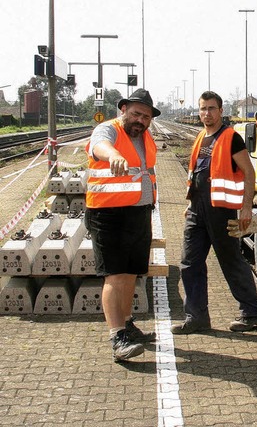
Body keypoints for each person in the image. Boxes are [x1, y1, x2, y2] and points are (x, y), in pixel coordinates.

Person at [171, 91, 257, 334]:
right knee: (189, 263)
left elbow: (249, 172)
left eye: (211, 108)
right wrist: (190, 204)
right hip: (197, 210)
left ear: (221, 111)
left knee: (230, 261)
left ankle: (251, 312)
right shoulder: (201, 137)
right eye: (203, 109)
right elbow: (197, 174)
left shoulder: (230, 137)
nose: (207, 113)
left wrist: (246, 207)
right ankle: (197, 317)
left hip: (221, 211)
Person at [84, 88, 160, 362]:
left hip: (138, 213)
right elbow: (99, 146)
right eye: (137, 113)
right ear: (124, 109)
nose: (141, 120)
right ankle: (117, 338)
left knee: (131, 273)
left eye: (146, 116)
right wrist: (112, 155)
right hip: (108, 214)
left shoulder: (146, 136)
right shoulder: (109, 130)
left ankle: (127, 325)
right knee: (114, 275)